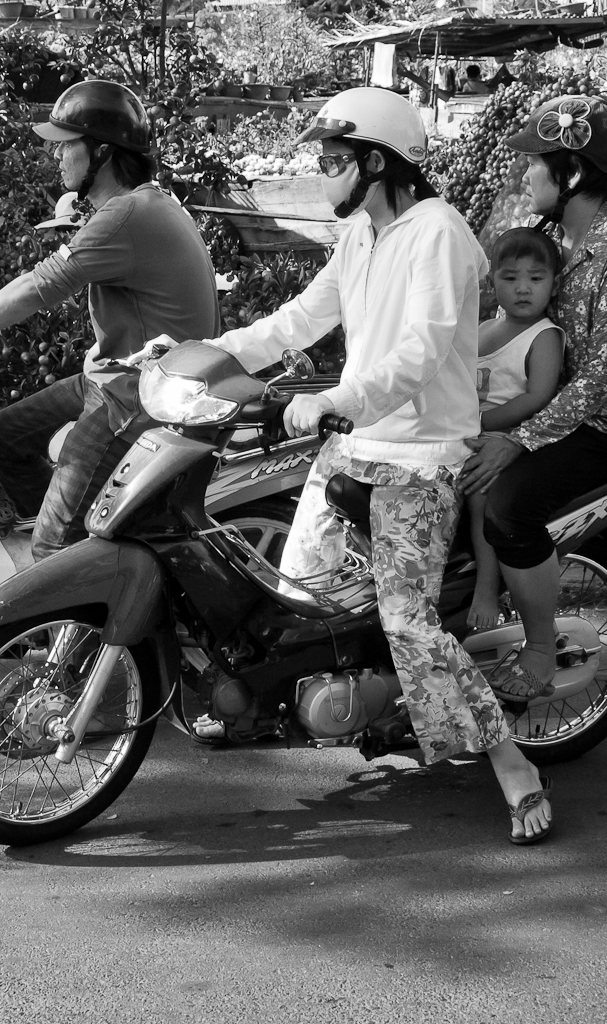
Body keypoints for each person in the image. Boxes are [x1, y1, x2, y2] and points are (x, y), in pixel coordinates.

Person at [209, 86, 555, 845]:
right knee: (292, 587)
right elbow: (300, 319)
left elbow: (424, 350)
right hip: (355, 443)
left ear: (376, 160)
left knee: (407, 619)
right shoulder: (361, 234)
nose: (325, 173)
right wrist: (201, 356)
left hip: (420, 457)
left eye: (334, 160)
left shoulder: (439, 233)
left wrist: (340, 397)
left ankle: (509, 760)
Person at [0, 80, 219, 560]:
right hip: (113, 377)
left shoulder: (127, 215)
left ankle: (63, 556)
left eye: (64, 145)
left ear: (101, 151)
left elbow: (37, 291)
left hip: (140, 393)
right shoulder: (136, 206)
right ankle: (83, 542)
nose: (55, 157)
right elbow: (38, 279)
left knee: (52, 542)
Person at [458, 95, 607, 701]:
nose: (526, 176)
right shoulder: (554, 240)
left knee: (509, 508)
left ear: (571, 172)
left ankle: (542, 647)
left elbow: (599, 379)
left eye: (537, 164)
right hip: (537, 406)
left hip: (603, 428)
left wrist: (516, 440)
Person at [466, 228, 565, 632]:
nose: (523, 289)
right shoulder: (482, 331)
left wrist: (482, 422)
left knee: (479, 497)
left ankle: (486, 589)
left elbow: (536, 397)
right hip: (463, 432)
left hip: (506, 439)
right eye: (510, 278)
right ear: (493, 284)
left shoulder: (544, 337)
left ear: (553, 284)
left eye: (535, 279)